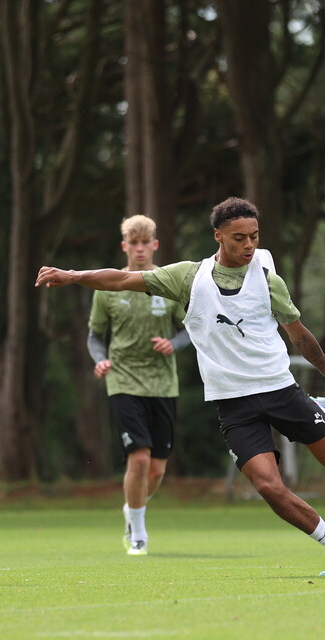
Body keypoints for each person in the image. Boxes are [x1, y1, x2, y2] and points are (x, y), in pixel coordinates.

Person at [38, 197, 325, 575]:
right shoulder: (188, 278)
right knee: (268, 486)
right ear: (218, 235)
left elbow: (299, 335)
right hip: (233, 404)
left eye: (255, 237)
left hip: (279, 388)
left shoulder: (268, 280)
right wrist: (73, 275)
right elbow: (122, 279)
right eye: (239, 238)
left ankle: (318, 408)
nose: (249, 245)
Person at [87, 215, 190, 556]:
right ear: (125, 246)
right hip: (123, 380)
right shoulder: (109, 287)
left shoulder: (168, 284)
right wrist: (100, 359)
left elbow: (189, 330)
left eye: (146, 243)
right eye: (134, 243)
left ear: (155, 245)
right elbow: (95, 337)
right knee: (140, 458)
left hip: (163, 384)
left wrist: (173, 344)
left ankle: (132, 508)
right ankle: (139, 536)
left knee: (157, 470)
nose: (140, 249)